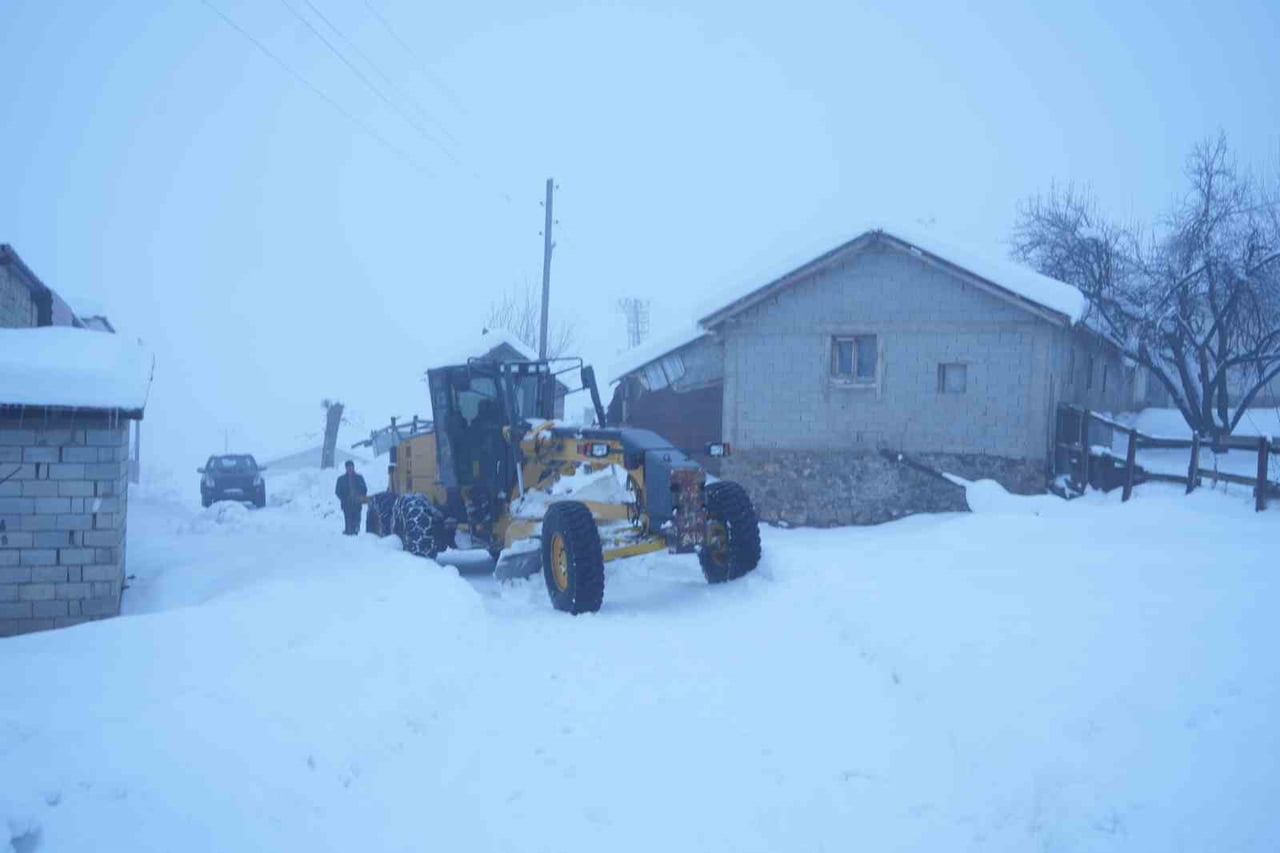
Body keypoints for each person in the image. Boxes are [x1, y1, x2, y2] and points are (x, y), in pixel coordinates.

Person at [334, 460, 367, 535]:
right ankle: (348, 531)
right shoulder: (341, 479)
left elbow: (364, 489)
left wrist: (360, 496)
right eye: (348, 467)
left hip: (357, 502)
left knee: (357, 517)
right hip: (346, 503)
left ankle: (356, 529)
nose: (350, 469)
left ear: (353, 467)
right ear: (345, 468)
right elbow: (337, 491)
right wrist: (343, 498)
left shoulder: (359, 478)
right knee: (348, 517)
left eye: (351, 467)